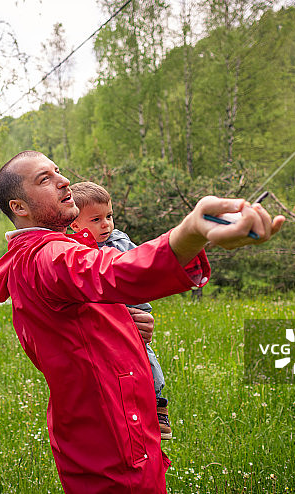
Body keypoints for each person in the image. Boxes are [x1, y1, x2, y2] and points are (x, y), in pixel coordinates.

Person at [0, 150, 284, 493]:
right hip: (113, 443)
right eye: (45, 179)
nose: (63, 181)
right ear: (19, 207)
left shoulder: (37, 256)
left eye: (58, 171)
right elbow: (118, 271)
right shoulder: (49, 256)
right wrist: (193, 230)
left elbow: (73, 327)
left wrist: (121, 320)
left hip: (106, 433)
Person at [68, 181, 210, 441]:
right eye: (96, 219)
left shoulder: (119, 242)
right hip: (100, 324)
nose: (106, 224)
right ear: (75, 224)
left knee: (145, 359)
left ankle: (157, 404)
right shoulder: (71, 251)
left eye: (109, 216)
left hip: (132, 314)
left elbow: (143, 269)